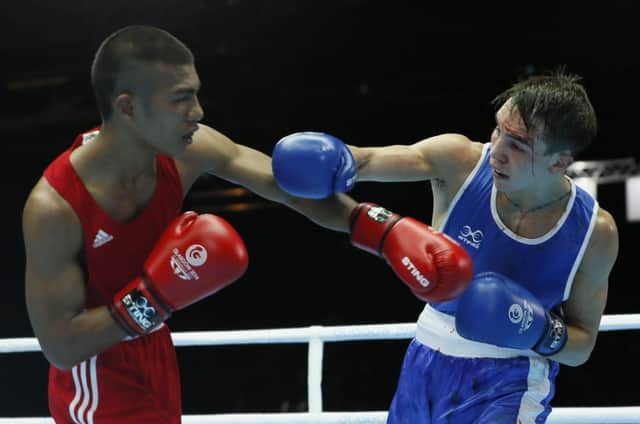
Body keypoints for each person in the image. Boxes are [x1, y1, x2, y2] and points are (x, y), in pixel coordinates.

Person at [22, 25, 472, 423]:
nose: (197, 111)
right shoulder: (56, 207)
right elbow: (60, 347)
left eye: (195, 93)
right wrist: (154, 296)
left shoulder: (188, 150)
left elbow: (283, 185)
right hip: (93, 375)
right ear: (128, 107)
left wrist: (377, 227)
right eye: (181, 98)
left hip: (154, 349)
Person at [271, 71, 619, 423]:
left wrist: (538, 330)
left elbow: (581, 346)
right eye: (498, 130)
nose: (497, 152)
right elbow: (365, 160)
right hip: (424, 360)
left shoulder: (594, 232)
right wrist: (336, 161)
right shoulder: (460, 163)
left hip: (511, 382)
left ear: (558, 161)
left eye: (518, 145)